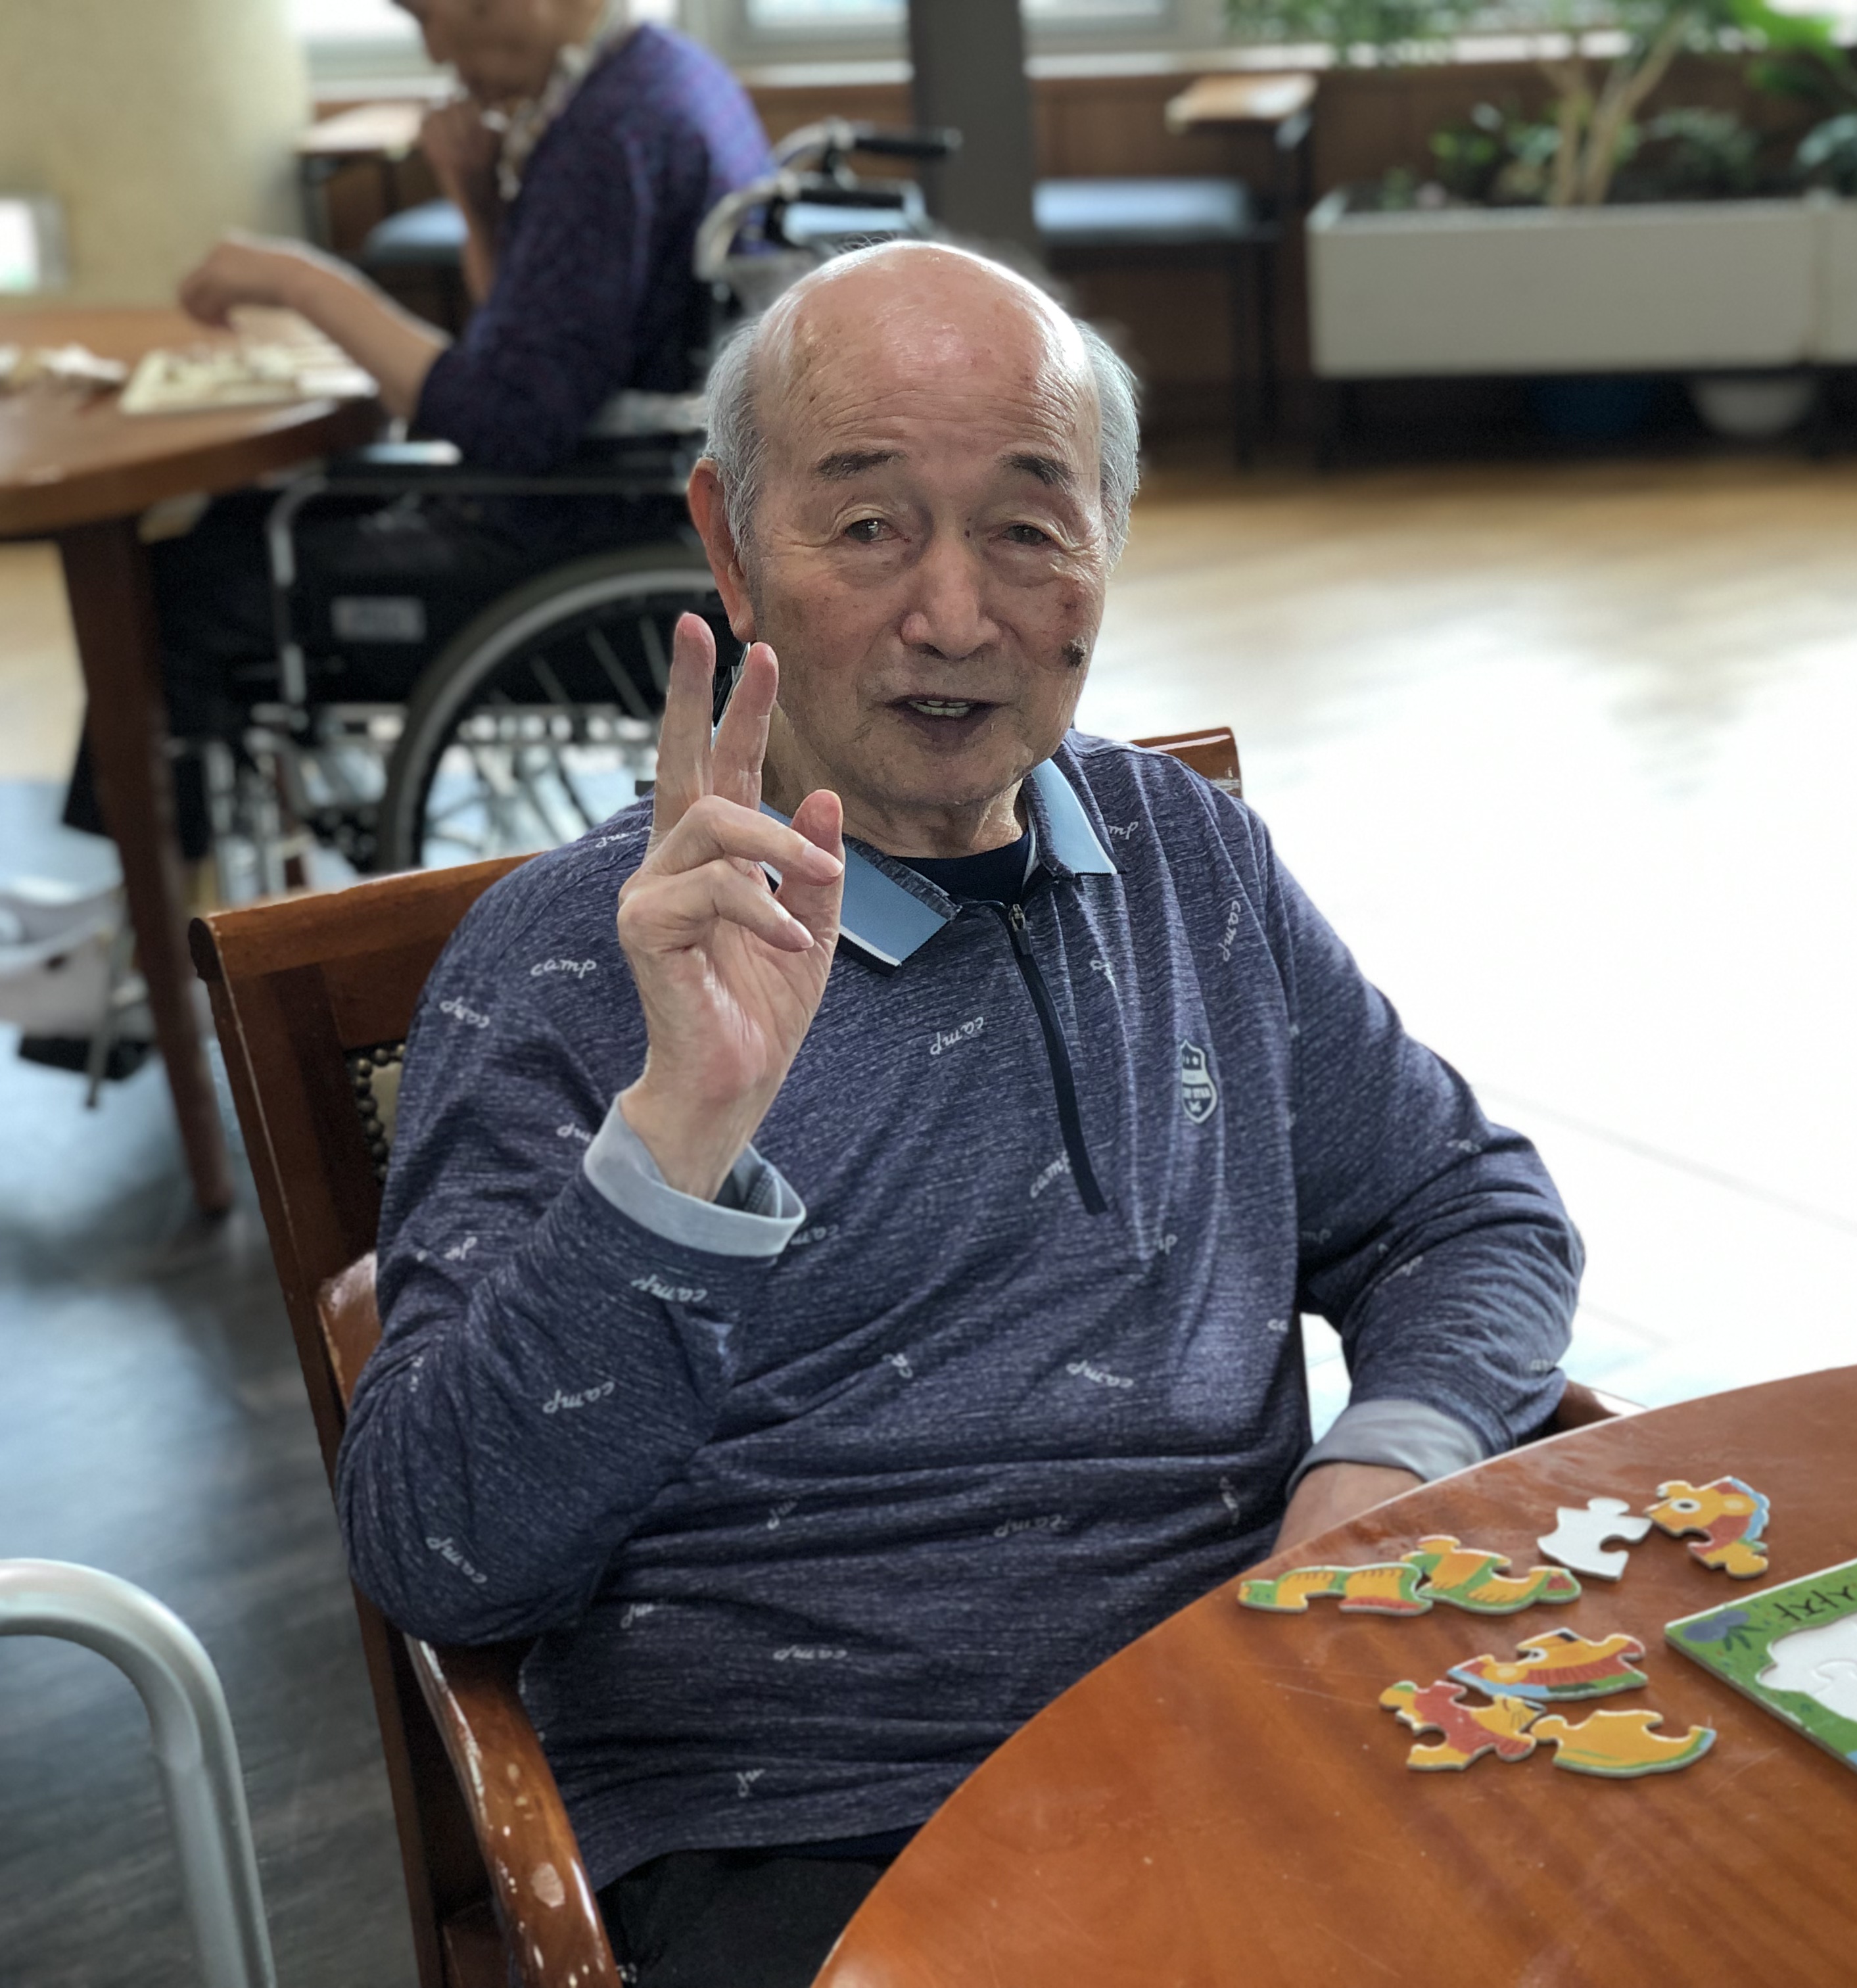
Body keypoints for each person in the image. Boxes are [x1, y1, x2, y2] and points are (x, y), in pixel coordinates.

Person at [337, 239, 1584, 1988]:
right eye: (866, 526)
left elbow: (1465, 1207)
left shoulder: (1187, 861)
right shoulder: (568, 960)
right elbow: (442, 1551)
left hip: (1248, 1729)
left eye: (1026, 526)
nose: (953, 616)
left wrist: (1382, 1467)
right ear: (729, 544)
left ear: (1108, 542)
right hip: (816, 1834)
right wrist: (680, 1138)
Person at [64, 0, 773, 859]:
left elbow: (500, 417)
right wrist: (476, 201)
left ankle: (144, 887)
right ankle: (154, 874)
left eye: (430, 15)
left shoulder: (608, 134)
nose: (437, 51)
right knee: (232, 527)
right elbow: (526, 348)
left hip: (564, 533)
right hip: (625, 496)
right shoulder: (664, 77)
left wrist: (298, 281)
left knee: (188, 583)